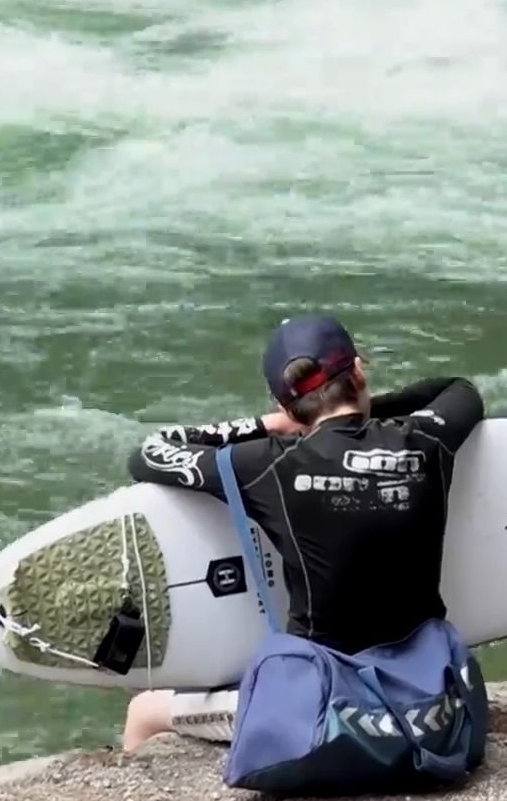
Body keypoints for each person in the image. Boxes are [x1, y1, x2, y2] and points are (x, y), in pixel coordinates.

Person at [119, 313, 485, 752]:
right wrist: (366, 412)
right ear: (358, 371)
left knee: (143, 712)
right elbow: (459, 390)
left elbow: (151, 453)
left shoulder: (267, 462)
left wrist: (275, 426)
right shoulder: (425, 439)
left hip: (320, 708)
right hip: (428, 702)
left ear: (285, 407)